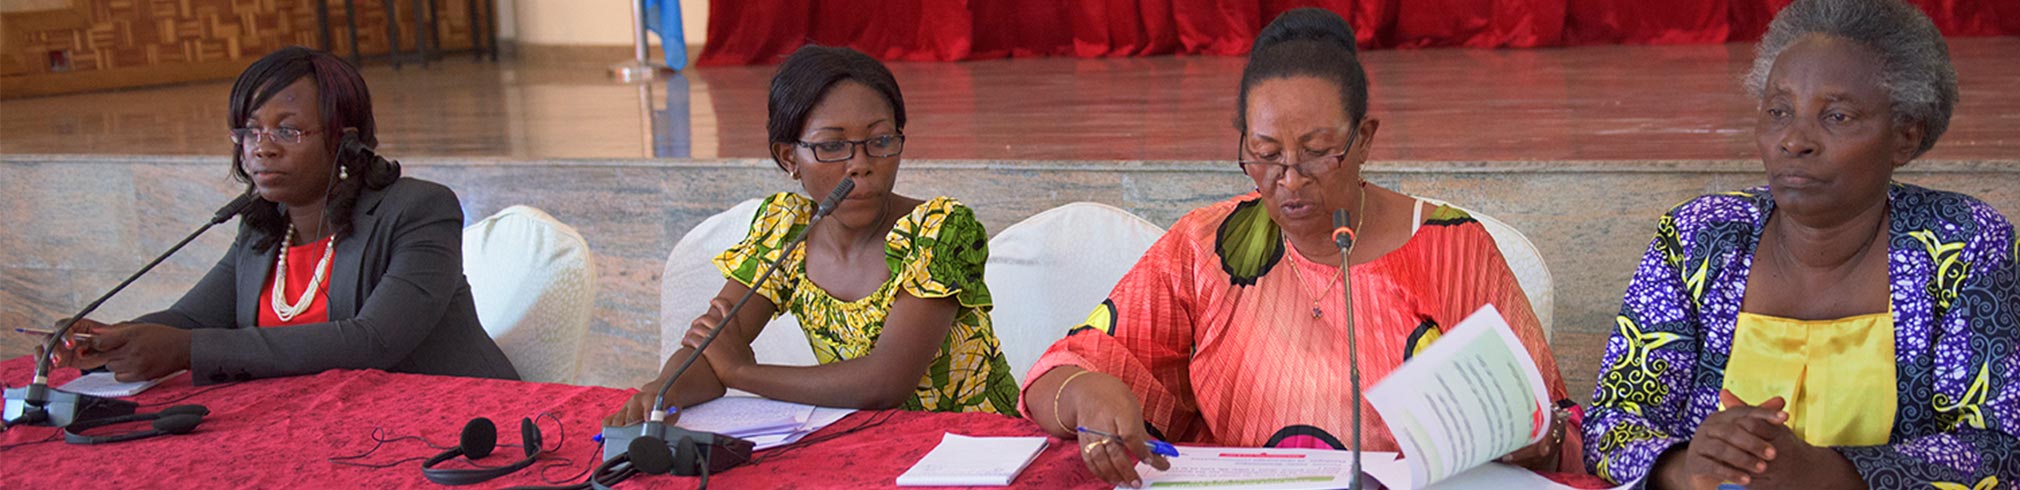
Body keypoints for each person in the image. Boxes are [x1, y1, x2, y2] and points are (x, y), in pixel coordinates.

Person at [1018, 9, 1579, 487]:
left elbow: (1552, 426)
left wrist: (1536, 433)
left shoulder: (1450, 248)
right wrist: (1086, 393)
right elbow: (1060, 372)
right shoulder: (1204, 247)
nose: (1288, 179)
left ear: (1363, 139)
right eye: (1264, 152)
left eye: (1316, 152)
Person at [1582, 0, 2020, 488]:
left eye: (1836, 116)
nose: (1794, 139)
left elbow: (2000, 448)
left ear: (1905, 136)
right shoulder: (1699, 238)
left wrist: (1826, 473)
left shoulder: (1962, 244)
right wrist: (1684, 466)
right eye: (1779, 111)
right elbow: (1611, 423)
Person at [44, 46, 519, 384]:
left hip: (459, 427)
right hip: (331, 429)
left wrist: (186, 352)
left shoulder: (418, 211)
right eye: (250, 132)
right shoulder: (265, 227)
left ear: (344, 140)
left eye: (288, 132)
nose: (262, 149)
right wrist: (109, 342)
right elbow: (190, 317)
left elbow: (372, 342)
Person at [604, 46, 1017, 427]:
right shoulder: (786, 230)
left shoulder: (938, 231)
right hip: (866, 445)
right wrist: (662, 392)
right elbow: (713, 351)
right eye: (832, 146)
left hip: (979, 449)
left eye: (880, 141)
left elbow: (885, 382)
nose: (860, 165)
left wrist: (743, 373)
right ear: (790, 159)